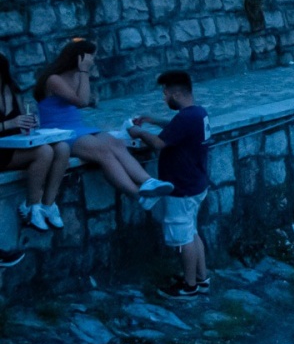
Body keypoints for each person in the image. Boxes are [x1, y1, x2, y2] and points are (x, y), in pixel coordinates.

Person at [34, 39, 173, 203]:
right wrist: (84, 72)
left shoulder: (76, 76)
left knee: (116, 143)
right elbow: (82, 101)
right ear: (80, 58)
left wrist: (85, 83)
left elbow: (79, 100)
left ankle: (148, 181)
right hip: (59, 132)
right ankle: (137, 194)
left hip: (77, 128)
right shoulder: (54, 79)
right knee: (103, 152)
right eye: (91, 57)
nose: (93, 61)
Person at [126, 71, 211, 299]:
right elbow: (177, 127)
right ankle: (202, 279)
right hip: (196, 184)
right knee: (192, 232)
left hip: (181, 188)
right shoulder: (198, 113)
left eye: (165, 94)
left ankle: (189, 286)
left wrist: (139, 132)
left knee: (182, 238)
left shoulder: (185, 119)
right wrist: (152, 120)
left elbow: (159, 143)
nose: (164, 99)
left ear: (176, 93)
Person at [0, 51, 70, 232]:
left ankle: (48, 204)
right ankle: (31, 206)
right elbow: (11, 123)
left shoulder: (12, 91)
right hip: (2, 150)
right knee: (44, 152)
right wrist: (10, 123)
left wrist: (29, 122)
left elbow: (24, 117)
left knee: (62, 148)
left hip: (17, 144)